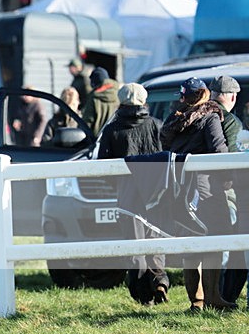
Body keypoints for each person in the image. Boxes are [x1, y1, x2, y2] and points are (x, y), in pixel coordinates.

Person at [160, 77, 235, 312]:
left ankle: (196, 301)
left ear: (183, 96)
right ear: (204, 94)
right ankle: (213, 297)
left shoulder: (173, 119)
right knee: (213, 242)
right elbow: (219, 149)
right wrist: (228, 179)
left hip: (179, 189)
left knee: (190, 247)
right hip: (206, 190)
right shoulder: (210, 116)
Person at [97, 83, 167, 305]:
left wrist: (116, 184)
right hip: (156, 195)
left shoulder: (112, 129)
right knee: (155, 238)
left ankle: (143, 296)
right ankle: (160, 281)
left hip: (127, 196)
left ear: (121, 101)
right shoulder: (157, 125)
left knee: (134, 246)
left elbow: (102, 166)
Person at [209, 76, 247, 301]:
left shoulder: (198, 114)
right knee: (235, 247)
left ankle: (210, 297)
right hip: (224, 190)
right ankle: (226, 295)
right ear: (232, 96)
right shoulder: (231, 121)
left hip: (193, 189)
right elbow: (233, 159)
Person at [81, 67, 119, 137]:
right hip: (115, 137)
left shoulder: (94, 98)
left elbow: (87, 122)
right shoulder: (119, 94)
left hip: (97, 140)